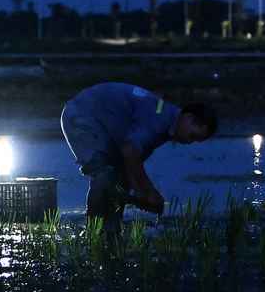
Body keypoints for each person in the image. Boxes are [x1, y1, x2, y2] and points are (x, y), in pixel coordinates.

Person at [60, 83, 217, 235]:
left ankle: (111, 233)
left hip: (105, 126)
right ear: (188, 118)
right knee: (104, 175)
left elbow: (130, 164)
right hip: (83, 115)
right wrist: (148, 191)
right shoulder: (159, 117)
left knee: (120, 180)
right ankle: (94, 235)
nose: (189, 142)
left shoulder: (166, 124)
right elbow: (130, 152)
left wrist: (140, 191)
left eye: (195, 140)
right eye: (192, 136)